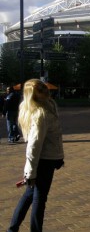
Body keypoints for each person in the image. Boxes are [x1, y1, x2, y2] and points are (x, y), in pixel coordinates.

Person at [7, 79, 64, 232]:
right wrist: (30, 172)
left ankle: (13, 228)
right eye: (44, 89)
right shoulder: (41, 114)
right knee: (39, 199)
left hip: (48, 159)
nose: (48, 91)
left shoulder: (48, 107)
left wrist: (59, 157)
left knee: (29, 195)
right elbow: (34, 146)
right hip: (43, 161)